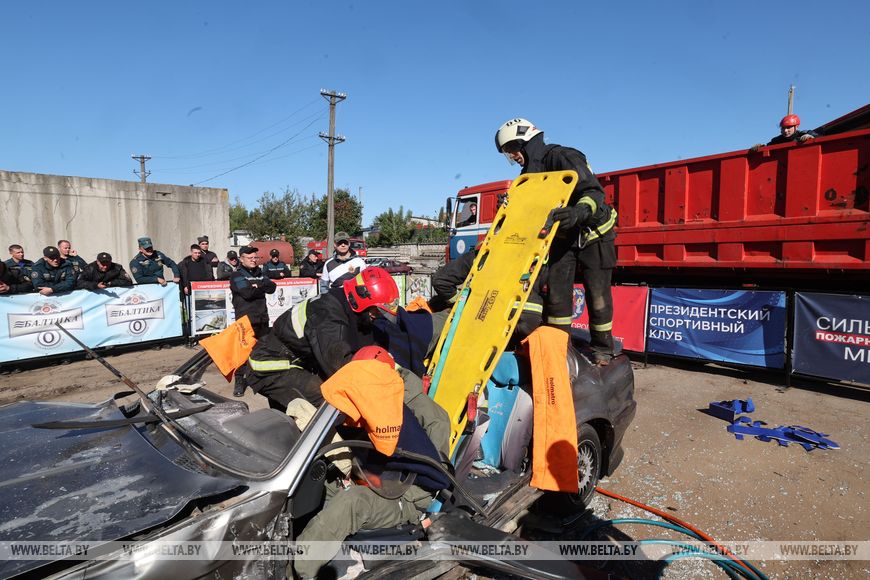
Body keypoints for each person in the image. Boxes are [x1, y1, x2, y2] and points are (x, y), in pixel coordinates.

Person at [293, 346, 450, 580]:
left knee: (353, 503)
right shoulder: (370, 395)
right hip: (369, 477)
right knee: (318, 483)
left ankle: (301, 571)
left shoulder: (430, 416)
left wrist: (379, 486)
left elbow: (433, 473)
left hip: (405, 498)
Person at [494, 118, 617, 364]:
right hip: (562, 237)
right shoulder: (528, 176)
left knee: (597, 294)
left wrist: (578, 212)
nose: (513, 156)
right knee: (557, 297)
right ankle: (558, 350)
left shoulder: (563, 157)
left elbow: (593, 192)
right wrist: (510, 207)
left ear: (525, 142)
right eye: (508, 152)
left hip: (595, 233)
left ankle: (603, 349)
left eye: (512, 148)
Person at [246, 266, 399, 409]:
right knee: (331, 401)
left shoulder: (346, 306)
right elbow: (340, 366)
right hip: (272, 366)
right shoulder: (328, 316)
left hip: (299, 362)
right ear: (360, 298)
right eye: (376, 311)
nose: (377, 316)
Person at [229, 245, 277, 397]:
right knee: (243, 353)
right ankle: (239, 381)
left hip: (262, 318)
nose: (254, 260)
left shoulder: (260, 273)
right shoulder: (236, 275)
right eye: (250, 258)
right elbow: (247, 293)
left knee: (263, 350)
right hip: (246, 320)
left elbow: (272, 287)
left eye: (255, 257)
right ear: (242, 259)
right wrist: (260, 287)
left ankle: (263, 378)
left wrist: (258, 285)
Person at [751, 114, 817, 151]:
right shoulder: (776, 140)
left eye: (788, 127)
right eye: (783, 128)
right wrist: (760, 147)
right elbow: (767, 148)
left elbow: (820, 138)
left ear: (796, 127)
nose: (785, 130)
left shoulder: (806, 133)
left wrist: (811, 138)